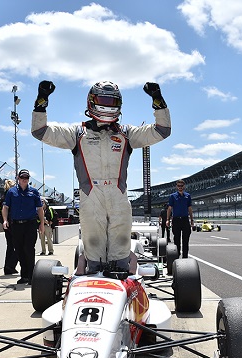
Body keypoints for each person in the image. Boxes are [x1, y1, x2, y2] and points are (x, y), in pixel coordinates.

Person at [31, 80, 170, 274]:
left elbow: (162, 131)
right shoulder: (77, 133)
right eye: (103, 101)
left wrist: (158, 102)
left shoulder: (126, 133)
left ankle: (122, 274)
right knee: (93, 243)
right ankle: (93, 274)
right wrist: (41, 103)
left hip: (118, 195)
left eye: (111, 102)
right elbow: (41, 131)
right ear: (91, 101)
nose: (107, 106)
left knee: (121, 243)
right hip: (91, 195)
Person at [2, 169, 44, 285]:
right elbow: (5, 207)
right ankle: (24, 275)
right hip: (16, 225)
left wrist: (41, 223)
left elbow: (40, 208)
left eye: (26, 178)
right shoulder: (11, 192)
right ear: (18, 178)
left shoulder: (34, 192)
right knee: (19, 249)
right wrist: (5, 220)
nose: (24, 179)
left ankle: (31, 276)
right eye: (22, 177)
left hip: (30, 224)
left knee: (29, 249)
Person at [166, 179, 194, 258]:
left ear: (184, 186)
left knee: (186, 240)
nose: (180, 187)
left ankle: (185, 257)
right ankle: (177, 257)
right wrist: (167, 220)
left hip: (185, 220)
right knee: (177, 240)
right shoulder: (172, 196)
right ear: (176, 187)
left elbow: (189, 208)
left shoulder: (187, 196)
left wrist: (192, 220)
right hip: (176, 220)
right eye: (178, 186)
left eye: (181, 186)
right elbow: (169, 208)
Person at [2, 179, 19, 275]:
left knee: (10, 246)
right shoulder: (12, 195)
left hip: (6, 224)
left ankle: (8, 267)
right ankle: (10, 265)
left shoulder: (3, 196)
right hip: (12, 223)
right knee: (19, 246)